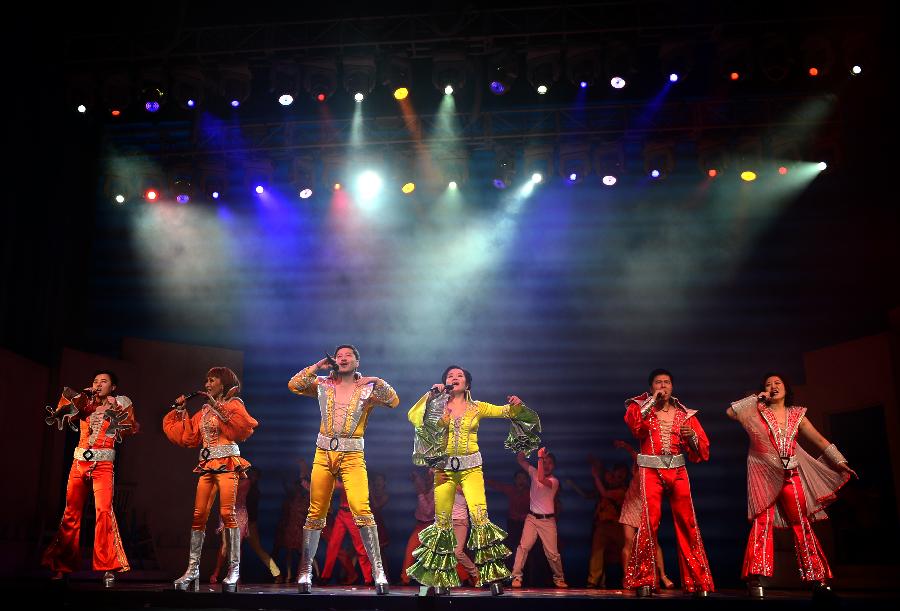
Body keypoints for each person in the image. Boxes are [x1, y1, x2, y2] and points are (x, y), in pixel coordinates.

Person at [406, 365, 541, 596]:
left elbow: (505, 412)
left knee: (480, 516)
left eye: (459, 376)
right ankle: (440, 580)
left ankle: (494, 576)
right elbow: (413, 417)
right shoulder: (437, 405)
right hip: (444, 469)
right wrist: (431, 395)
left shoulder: (477, 407)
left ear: (467, 384)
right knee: (442, 523)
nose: (454, 378)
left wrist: (517, 406)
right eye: (450, 376)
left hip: (471, 469)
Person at [727, 373, 856, 599]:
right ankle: (756, 578)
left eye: (777, 383)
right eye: (768, 384)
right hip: (764, 475)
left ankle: (818, 579)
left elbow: (819, 440)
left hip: (790, 473)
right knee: (762, 523)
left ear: (786, 389)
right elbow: (730, 412)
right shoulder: (758, 412)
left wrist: (841, 462)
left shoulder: (797, 414)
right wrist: (758, 398)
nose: (773, 386)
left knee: (801, 524)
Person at [287, 345, 399, 594]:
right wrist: (317, 366)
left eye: (349, 355)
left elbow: (394, 401)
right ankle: (305, 572)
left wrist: (378, 381)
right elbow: (294, 385)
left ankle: (378, 571)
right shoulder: (323, 383)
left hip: (352, 455)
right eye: (339, 356)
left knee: (362, 508)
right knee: (316, 510)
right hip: (323, 453)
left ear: (357, 362)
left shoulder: (367, 389)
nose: (343, 358)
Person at [163, 367, 257, 592]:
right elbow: (189, 435)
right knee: (198, 516)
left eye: (211, 380)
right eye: (206, 380)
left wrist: (216, 406)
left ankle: (233, 569)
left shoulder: (235, 404)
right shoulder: (204, 410)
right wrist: (179, 411)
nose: (207, 384)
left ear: (222, 384)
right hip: (206, 466)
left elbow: (240, 430)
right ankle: (192, 569)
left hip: (226, 464)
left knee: (227, 513)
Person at [42, 371, 138, 587]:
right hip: (79, 464)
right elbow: (63, 411)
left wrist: (113, 407)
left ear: (113, 387)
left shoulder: (121, 403)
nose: (98, 384)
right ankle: (62, 566)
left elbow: (129, 426)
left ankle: (108, 568)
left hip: (103, 466)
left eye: (103, 381)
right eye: (95, 381)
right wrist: (79, 397)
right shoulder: (84, 404)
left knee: (104, 512)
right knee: (70, 513)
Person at [623, 369, 714, 597]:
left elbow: (701, 451)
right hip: (650, 470)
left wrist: (690, 436)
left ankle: (697, 580)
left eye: (666, 382)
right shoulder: (640, 406)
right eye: (658, 382)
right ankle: (644, 579)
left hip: (678, 470)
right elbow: (635, 426)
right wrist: (651, 401)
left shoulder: (684, 414)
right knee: (649, 523)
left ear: (673, 387)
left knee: (687, 522)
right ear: (651, 387)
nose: (662, 385)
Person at [617, 439, 675, 589]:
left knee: (654, 542)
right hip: (631, 505)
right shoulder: (640, 461)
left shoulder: (656, 468)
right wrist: (625, 445)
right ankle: (627, 577)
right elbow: (633, 453)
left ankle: (662, 575)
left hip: (647, 506)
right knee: (628, 541)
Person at [510, 448, 568, 588]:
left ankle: (559, 578)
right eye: (544, 462)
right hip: (532, 518)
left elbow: (541, 479)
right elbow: (520, 460)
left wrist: (540, 458)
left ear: (554, 466)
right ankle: (517, 577)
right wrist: (524, 447)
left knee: (552, 553)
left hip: (547, 521)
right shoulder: (534, 472)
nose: (546, 465)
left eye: (550, 463)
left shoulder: (554, 481)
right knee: (523, 547)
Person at [485, 470, 530, 571]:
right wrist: (481, 478)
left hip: (526, 525)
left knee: (525, 550)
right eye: (519, 478)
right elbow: (497, 485)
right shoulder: (511, 489)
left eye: (523, 478)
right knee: (509, 550)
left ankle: (525, 576)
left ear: (527, 480)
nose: (521, 480)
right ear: (515, 480)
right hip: (512, 524)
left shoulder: (531, 492)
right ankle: (509, 574)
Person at [400, 468, 435, 585]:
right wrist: (415, 479)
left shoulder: (437, 490)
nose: (428, 477)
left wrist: (420, 493)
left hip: (431, 525)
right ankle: (405, 579)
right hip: (420, 524)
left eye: (431, 475)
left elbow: (428, 511)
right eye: (427, 474)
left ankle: (469, 578)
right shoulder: (424, 484)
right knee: (410, 551)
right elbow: (414, 477)